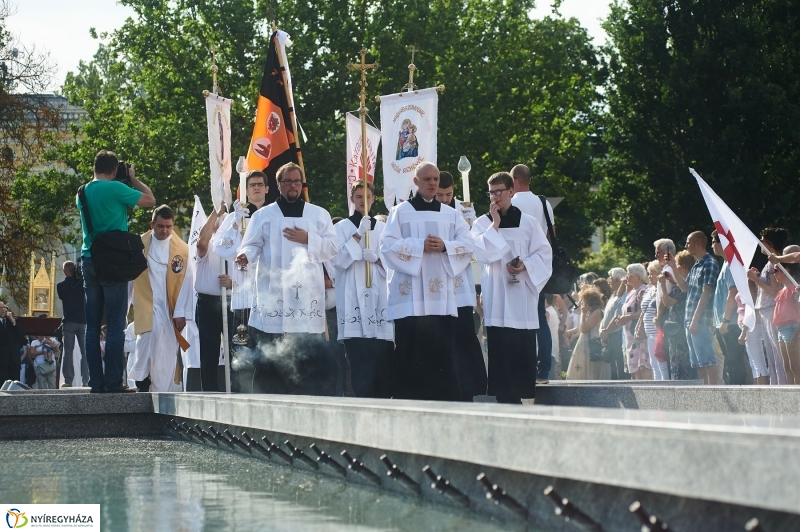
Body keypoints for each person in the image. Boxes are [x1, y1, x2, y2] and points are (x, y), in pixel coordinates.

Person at [236, 162, 340, 395]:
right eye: (287, 181)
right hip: (273, 296)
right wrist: (245, 256)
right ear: (278, 185)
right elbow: (251, 245)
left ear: (301, 184)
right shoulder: (264, 215)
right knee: (269, 360)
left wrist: (308, 238)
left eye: (296, 181)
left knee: (307, 359)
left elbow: (333, 248)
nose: (293, 185)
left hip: (306, 298)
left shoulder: (318, 214)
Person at [380, 162, 476, 401]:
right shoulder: (400, 212)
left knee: (441, 352)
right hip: (410, 299)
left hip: (440, 298)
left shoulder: (452, 215)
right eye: (427, 180)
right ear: (416, 182)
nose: (433, 184)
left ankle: (443, 402)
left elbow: (468, 245)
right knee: (410, 351)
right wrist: (418, 246)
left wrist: (446, 246)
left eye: (435, 179)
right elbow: (386, 246)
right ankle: (408, 400)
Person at [78, 150, 155, 393]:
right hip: (113, 262)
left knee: (92, 325)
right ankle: (112, 382)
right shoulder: (116, 189)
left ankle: (95, 382)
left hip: (88, 259)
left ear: (94, 167)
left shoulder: (82, 192)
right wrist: (132, 178)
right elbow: (149, 200)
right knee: (114, 323)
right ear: (114, 171)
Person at [471, 171, 552, 403]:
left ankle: (523, 395)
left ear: (511, 192)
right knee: (500, 349)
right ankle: (504, 397)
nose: (495, 197)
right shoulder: (482, 223)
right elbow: (481, 254)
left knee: (521, 348)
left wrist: (526, 265)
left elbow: (544, 254)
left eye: (499, 192)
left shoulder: (529, 223)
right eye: (491, 192)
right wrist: (495, 225)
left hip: (520, 297)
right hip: (497, 294)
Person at [331, 181, 394, 398]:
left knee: (383, 362)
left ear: (373, 198)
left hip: (379, 300)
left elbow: (393, 263)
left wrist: (378, 260)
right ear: (352, 199)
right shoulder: (341, 228)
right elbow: (337, 261)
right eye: (358, 197)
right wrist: (357, 235)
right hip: (353, 299)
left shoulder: (385, 228)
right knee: (360, 363)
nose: (363, 201)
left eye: (367, 197)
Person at [435, 171, 486, 399]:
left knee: (465, 337)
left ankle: (472, 387)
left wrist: (470, 221)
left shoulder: (462, 210)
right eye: (440, 195)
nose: (445, 199)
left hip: (460, 286)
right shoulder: (430, 210)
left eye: (449, 194)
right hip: (438, 284)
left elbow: (471, 244)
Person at [129, 205, 192, 392]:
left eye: (168, 226)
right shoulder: (139, 245)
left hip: (170, 305)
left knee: (167, 348)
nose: (164, 231)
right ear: (152, 225)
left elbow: (186, 282)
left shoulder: (182, 249)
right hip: (146, 300)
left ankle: (160, 390)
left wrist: (180, 311)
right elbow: (129, 277)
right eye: (160, 226)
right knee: (148, 336)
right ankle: (141, 378)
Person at [509, 163, 554, 384]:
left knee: (518, 319)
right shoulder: (544, 203)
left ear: (514, 181)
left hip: (515, 266)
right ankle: (543, 369)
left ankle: (521, 368)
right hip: (537, 267)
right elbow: (550, 237)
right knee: (540, 319)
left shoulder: (511, 202)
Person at [673, 231, 720, 385]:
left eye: (688, 242)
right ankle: (704, 395)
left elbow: (706, 293)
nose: (686, 246)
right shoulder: (696, 266)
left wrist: (695, 319)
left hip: (700, 321)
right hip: (690, 321)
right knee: (698, 363)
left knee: (707, 361)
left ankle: (713, 395)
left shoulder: (709, 264)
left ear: (697, 243)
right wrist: (673, 267)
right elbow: (685, 288)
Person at [748, 228, 791, 384]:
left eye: (763, 239)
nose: (760, 242)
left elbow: (774, 291)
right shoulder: (769, 263)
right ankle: (776, 387)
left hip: (773, 310)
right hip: (767, 311)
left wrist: (755, 279)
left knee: (778, 355)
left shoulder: (775, 262)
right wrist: (759, 277)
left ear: (769, 243)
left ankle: (782, 387)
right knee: (772, 354)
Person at [711, 230, 748, 385]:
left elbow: (733, 293)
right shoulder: (726, 264)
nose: (712, 245)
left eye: (714, 242)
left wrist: (725, 320)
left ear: (722, 243)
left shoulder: (732, 264)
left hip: (731, 323)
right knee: (731, 362)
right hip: (725, 322)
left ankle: (740, 394)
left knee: (735, 361)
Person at [661, 251, 698, 381]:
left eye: (676, 265)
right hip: (680, 327)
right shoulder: (688, 283)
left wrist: (662, 285)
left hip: (679, 329)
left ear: (682, 267)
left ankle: (682, 386)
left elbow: (667, 301)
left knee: (680, 360)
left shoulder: (682, 286)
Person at [615, 263, 651, 380]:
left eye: (629, 273)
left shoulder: (643, 291)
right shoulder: (631, 292)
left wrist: (628, 317)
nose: (626, 276)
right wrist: (622, 318)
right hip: (630, 337)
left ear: (637, 276)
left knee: (642, 366)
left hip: (639, 336)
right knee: (634, 368)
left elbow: (644, 311)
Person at [56, 260, 88, 387]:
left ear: (65, 271)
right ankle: (86, 380)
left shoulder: (60, 285)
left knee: (68, 352)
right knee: (85, 352)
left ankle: (68, 380)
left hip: (69, 321)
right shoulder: (83, 284)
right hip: (83, 321)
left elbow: (63, 297)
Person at [566, 286, 608, 380]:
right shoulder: (592, 312)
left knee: (591, 373)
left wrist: (583, 313)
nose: (581, 303)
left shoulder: (597, 312)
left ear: (589, 302)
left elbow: (583, 328)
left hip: (591, 346)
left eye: (583, 301)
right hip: (586, 346)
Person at [638, 262, 668, 379]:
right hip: (649, 334)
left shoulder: (662, 288)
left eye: (652, 274)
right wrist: (639, 326)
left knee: (661, 362)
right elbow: (643, 311)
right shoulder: (648, 290)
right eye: (649, 274)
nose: (649, 276)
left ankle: (666, 390)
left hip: (658, 331)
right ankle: (658, 390)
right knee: (653, 364)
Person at [772, 258, 800, 384]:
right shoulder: (781, 291)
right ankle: (789, 395)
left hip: (792, 328)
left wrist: (796, 333)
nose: (775, 274)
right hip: (781, 330)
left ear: (786, 270)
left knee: (795, 366)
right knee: (786, 366)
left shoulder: (795, 289)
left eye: (777, 270)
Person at [599, 268, 628, 380]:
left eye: (610, 278)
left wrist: (606, 332)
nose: (608, 280)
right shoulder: (613, 295)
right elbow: (606, 315)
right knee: (613, 371)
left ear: (617, 280)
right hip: (609, 336)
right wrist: (602, 330)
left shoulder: (623, 296)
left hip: (617, 336)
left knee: (620, 370)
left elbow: (617, 316)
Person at [0, 302, 25, 385]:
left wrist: (12, 321)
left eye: (5, 307)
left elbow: (22, 336)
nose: (3, 310)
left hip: (13, 359)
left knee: (14, 384)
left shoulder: (12, 321)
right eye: (1, 308)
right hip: (2, 360)